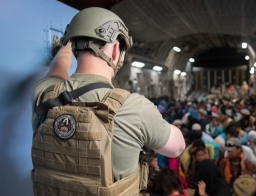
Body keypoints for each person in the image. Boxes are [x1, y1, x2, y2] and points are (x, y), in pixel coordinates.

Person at [31, 7, 185, 196]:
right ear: (115, 50)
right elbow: (177, 147)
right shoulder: (135, 108)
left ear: (73, 45)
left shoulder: (45, 94)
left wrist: (66, 46)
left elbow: (58, 67)